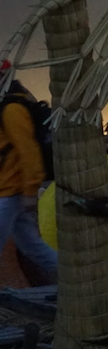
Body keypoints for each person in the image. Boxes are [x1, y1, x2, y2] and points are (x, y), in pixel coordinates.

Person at [0, 76, 58, 283]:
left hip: (10, 192)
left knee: (33, 246)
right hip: (11, 191)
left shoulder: (12, 110)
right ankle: (77, 282)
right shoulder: (8, 107)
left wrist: (30, 190)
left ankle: (78, 283)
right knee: (33, 247)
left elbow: (28, 151)